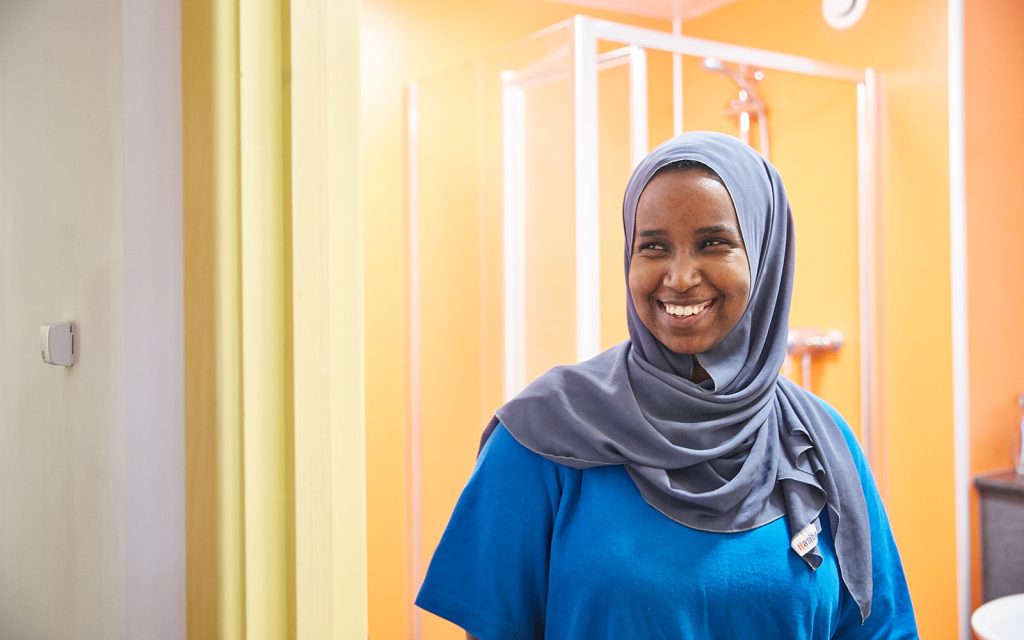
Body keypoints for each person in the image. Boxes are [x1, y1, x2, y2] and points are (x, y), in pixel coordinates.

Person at [415, 131, 918, 639]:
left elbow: (879, 629)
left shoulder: (821, 440)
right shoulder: (543, 436)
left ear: (765, 257)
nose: (679, 277)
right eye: (653, 246)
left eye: (713, 243)